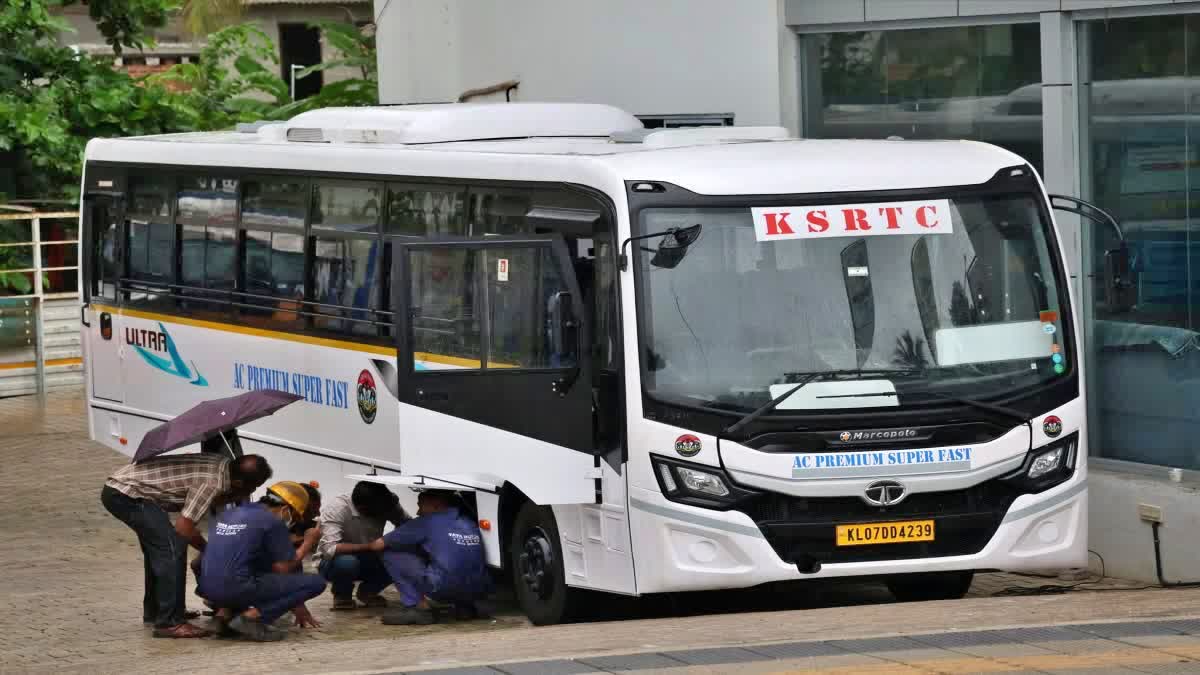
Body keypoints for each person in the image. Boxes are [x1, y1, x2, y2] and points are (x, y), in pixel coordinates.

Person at [101, 453, 272, 638]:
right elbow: (184, 527)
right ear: (239, 483)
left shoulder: (225, 465)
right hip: (126, 493)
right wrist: (210, 551)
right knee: (171, 549)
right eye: (254, 486)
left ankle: (158, 611)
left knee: (162, 550)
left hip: (132, 489)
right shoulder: (211, 483)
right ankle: (169, 623)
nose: (253, 490)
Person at [196, 481, 327, 641]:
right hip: (235, 587)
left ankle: (223, 616)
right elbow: (284, 569)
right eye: (294, 516)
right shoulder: (272, 522)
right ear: (286, 509)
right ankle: (252, 618)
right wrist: (308, 542)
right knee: (316, 582)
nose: (292, 521)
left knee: (247, 566)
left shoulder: (230, 513)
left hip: (208, 588)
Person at [368, 490, 491, 626]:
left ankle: (418, 608)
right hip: (479, 589)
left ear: (436, 506)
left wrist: (349, 547)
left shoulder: (426, 521)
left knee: (390, 552)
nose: (418, 512)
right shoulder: (469, 522)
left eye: (420, 506)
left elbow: (376, 545)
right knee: (452, 556)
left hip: (444, 588)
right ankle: (465, 607)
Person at [316, 481, 410, 610]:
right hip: (334, 562)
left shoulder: (387, 502)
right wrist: (369, 546)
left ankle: (368, 592)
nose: (382, 514)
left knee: (401, 559)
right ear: (362, 508)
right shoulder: (338, 508)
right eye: (378, 512)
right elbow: (330, 549)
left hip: (370, 557)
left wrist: (392, 541)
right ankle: (342, 595)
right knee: (347, 562)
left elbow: (407, 525)